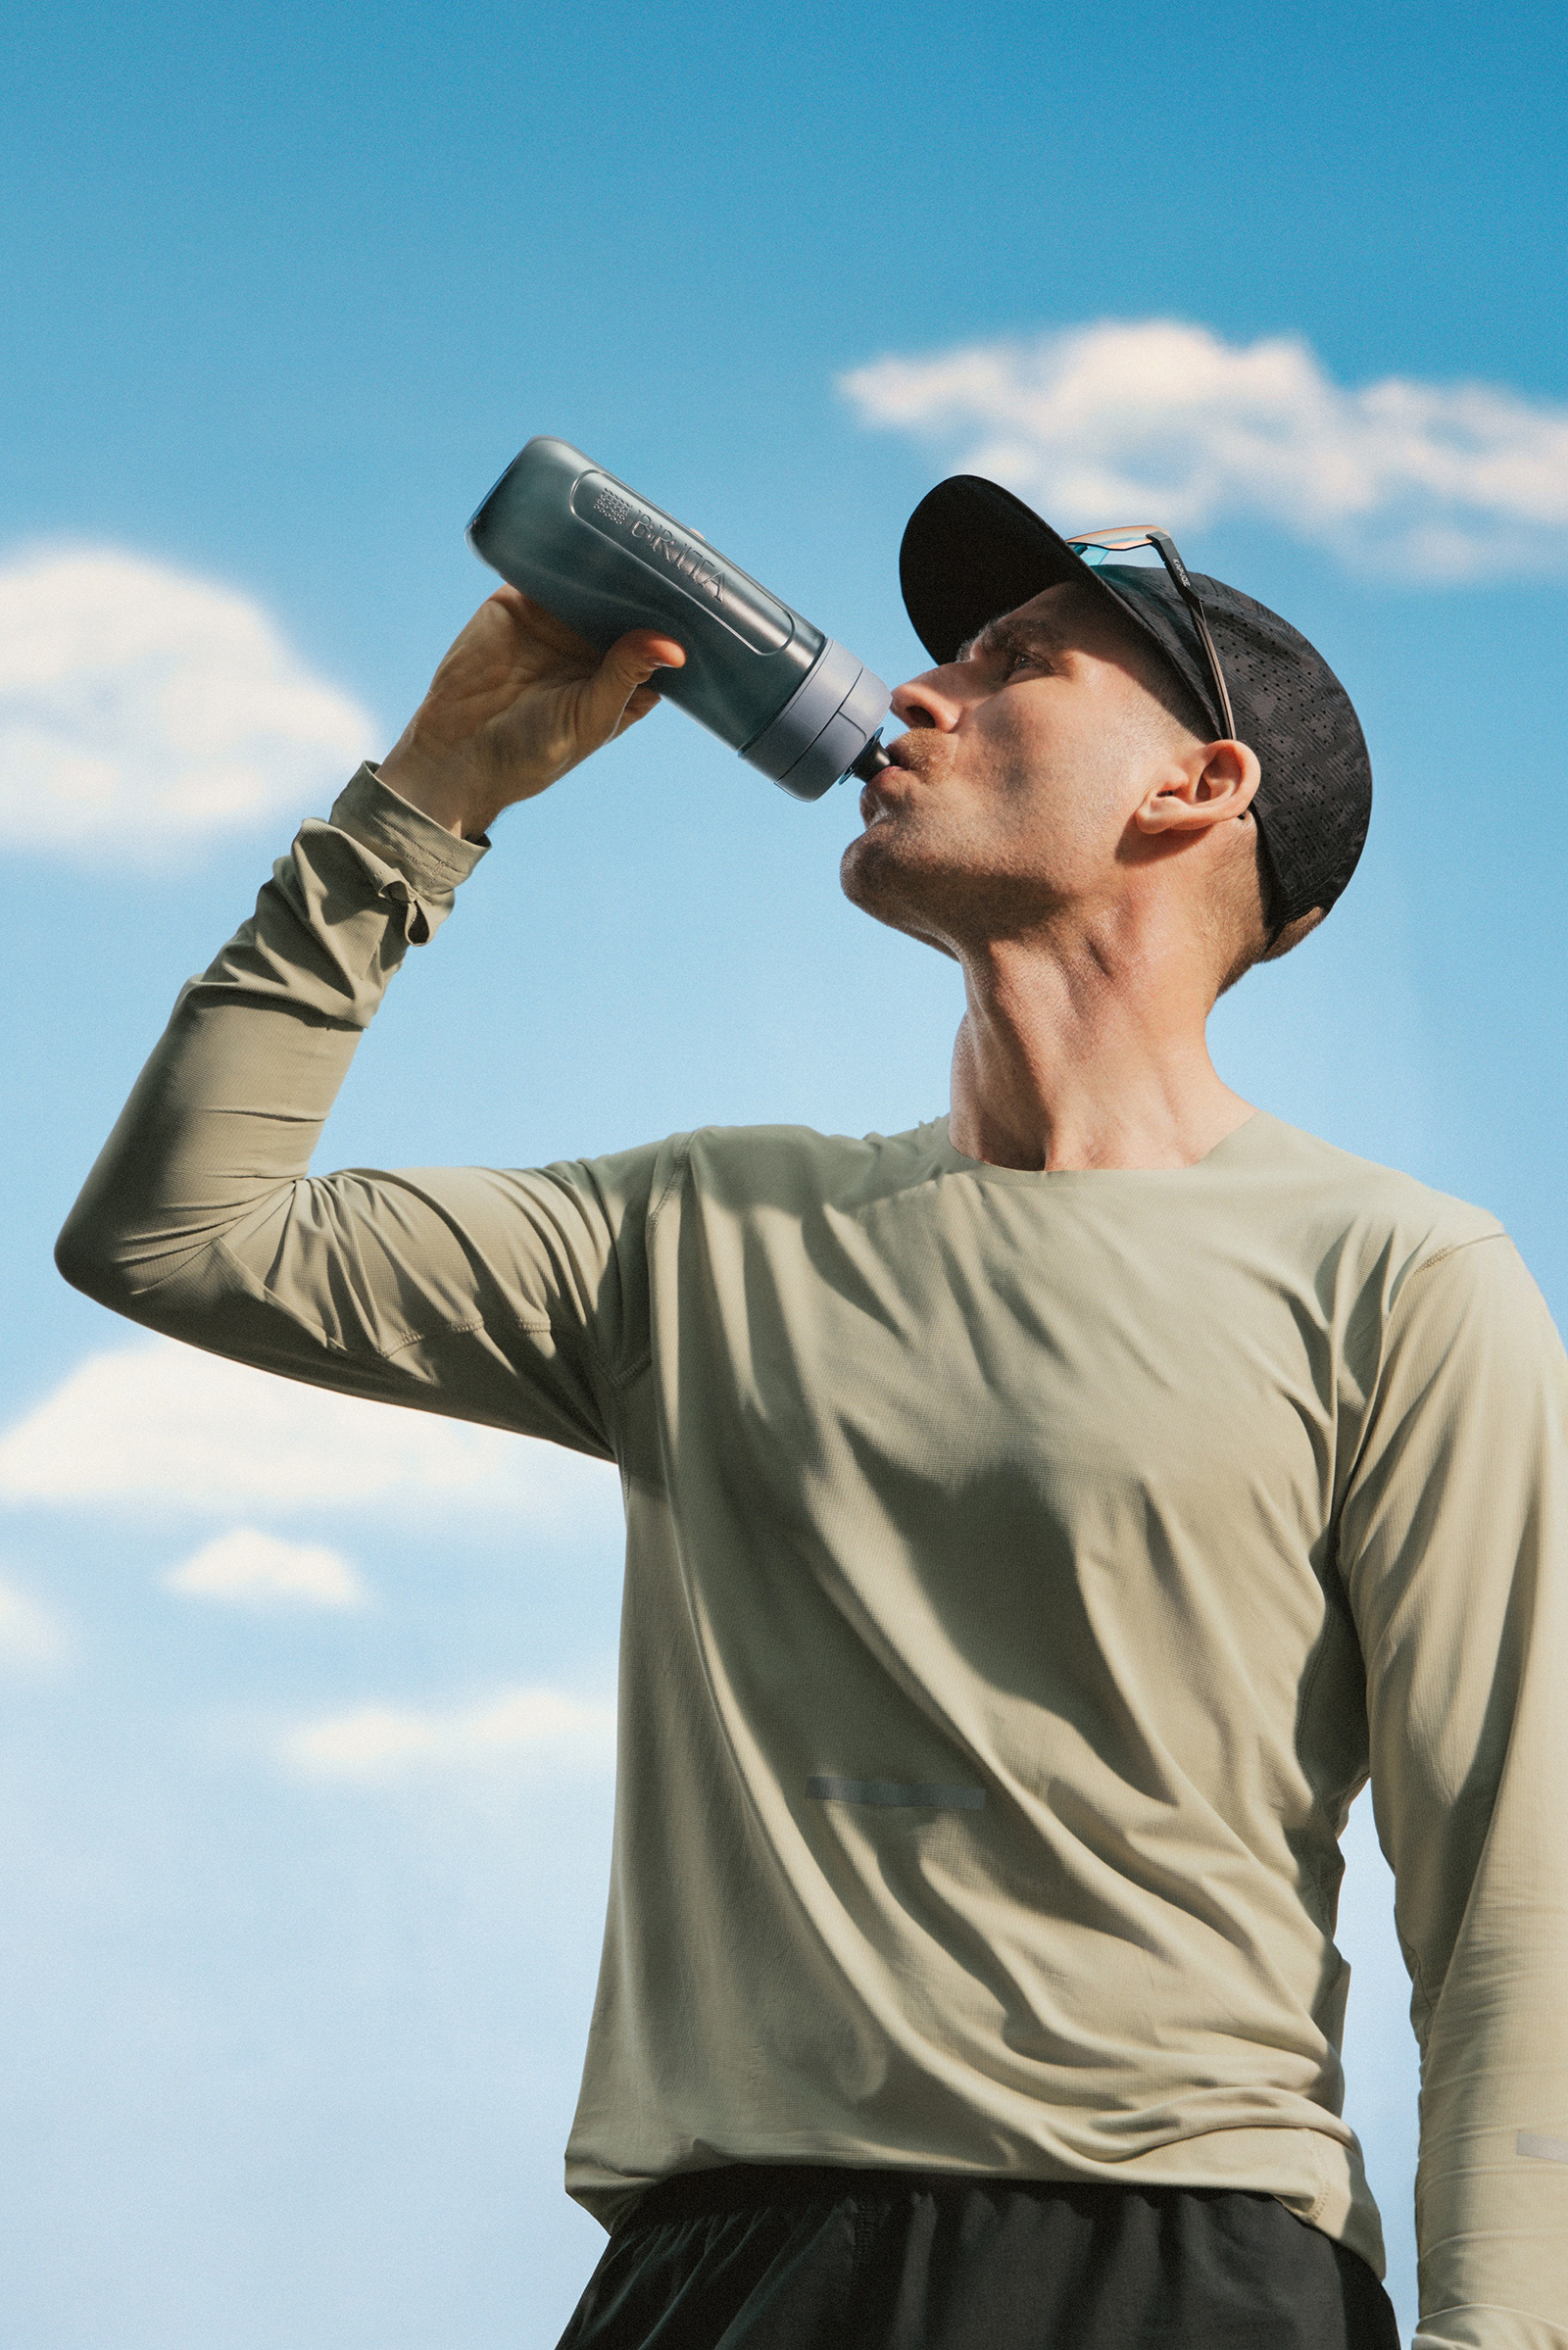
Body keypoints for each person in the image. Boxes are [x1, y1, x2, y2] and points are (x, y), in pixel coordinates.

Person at [57, 474, 1567, 2350]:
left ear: (1197, 787)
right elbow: (176, 1234)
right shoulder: (701, 1231)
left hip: (1174, 2268)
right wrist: (434, 790)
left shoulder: (1397, 1278)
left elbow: (1512, 1895)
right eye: (945, 657)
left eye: (1016, 666)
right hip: (718, 2276)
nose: (919, 692)